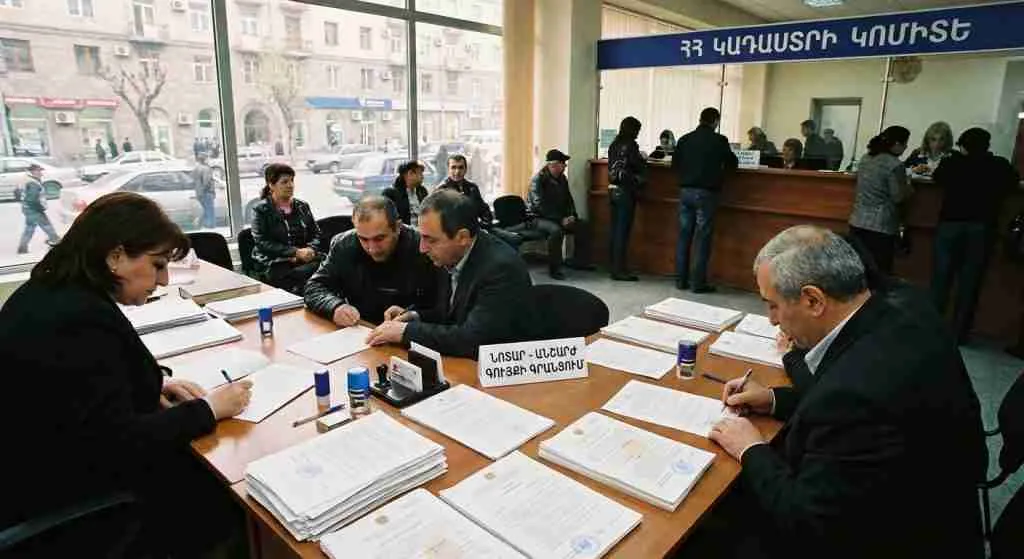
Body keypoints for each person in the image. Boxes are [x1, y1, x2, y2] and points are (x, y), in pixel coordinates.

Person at [689, 225, 986, 559]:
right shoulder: (904, 304)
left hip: (896, 539)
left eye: (772, 305)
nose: (771, 320)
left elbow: (806, 523)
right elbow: (845, 397)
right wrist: (774, 399)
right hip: (944, 502)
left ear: (814, 300)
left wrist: (751, 448)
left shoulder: (855, 396)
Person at [0, 192, 254, 557]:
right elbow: (117, 443)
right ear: (115, 257)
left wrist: (154, 384)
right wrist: (210, 409)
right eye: (157, 265)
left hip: (42, 472)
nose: (164, 280)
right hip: (75, 504)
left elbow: (81, 388)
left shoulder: (56, 292)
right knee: (238, 501)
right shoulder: (77, 321)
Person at [365, 189, 537, 358]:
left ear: (462, 237)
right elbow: (452, 313)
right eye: (422, 237)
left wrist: (406, 332)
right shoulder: (451, 254)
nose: (422, 248)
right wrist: (414, 316)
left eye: (430, 239)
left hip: (500, 371)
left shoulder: (500, 269)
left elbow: (472, 340)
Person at [931, 127, 1020, 344]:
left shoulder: (951, 163)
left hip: (950, 225)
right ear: (987, 146)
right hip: (982, 228)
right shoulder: (999, 165)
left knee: (941, 280)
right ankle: (959, 334)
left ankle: (931, 329)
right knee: (969, 283)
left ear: (962, 145)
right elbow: (1013, 183)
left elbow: (937, 179)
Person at [305, 195, 439, 325]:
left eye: (379, 239)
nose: (372, 249)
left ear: (398, 227)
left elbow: (441, 306)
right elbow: (314, 287)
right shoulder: (343, 244)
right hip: (359, 327)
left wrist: (412, 315)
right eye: (363, 239)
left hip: (409, 333)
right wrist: (335, 307)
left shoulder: (423, 248)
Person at [672, 107, 738, 293]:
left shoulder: (685, 139)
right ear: (715, 121)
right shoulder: (719, 140)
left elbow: (674, 164)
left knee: (684, 236)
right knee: (702, 239)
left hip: (685, 192)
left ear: (700, 119)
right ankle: (697, 283)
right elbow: (732, 164)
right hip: (706, 194)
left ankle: (680, 281)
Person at [848, 125, 913, 275]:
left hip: (857, 221)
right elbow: (898, 197)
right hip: (881, 226)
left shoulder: (865, 159)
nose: (905, 148)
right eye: (905, 144)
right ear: (896, 144)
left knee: (859, 269)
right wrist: (909, 187)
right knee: (879, 272)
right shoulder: (894, 164)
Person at [250, 163, 324, 293]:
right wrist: (295, 252)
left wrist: (310, 249)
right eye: (284, 182)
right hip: (275, 262)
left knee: (331, 265)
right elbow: (262, 243)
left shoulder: (302, 206)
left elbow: (316, 233)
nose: (290, 185)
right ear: (271, 185)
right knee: (305, 276)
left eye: (292, 181)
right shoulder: (261, 210)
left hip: (305, 259)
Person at [527, 149, 592, 280]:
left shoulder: (562, 179)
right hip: (537, 218)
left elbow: (568, 200)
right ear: (553, 165)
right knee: (556, 231)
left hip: (557, 217)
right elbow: (539, 206)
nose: (565, 166)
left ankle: (578, 261)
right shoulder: (538, 180)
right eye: (563, 164)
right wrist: (561, 219)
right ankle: (554, 269)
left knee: (583, 225)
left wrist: (572, 215)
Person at [436, 153, 521, 249]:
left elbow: (483, 208)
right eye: (453, 168)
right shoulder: (442, 191)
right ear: (448, 169)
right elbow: (442, 219)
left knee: (514, 239)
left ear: (466, 169)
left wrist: (486, 221)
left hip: (479, 228)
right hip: (459, 234)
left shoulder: (472, 187)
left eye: (460, 168)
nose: (457, 171)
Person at [607, 116, 646, 281]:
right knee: (623, 232)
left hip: (613, 191)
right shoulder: (631, 146)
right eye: (637, 130)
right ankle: (619, 270)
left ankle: (613, 266)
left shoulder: (613, 145)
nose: (638, 134)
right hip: (626, 192)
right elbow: (638, 165)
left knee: (615, 230)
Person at [17, 163, 61, 254]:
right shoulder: (33, 183)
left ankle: (22, 248)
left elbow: (17, 192)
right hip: (34, 209)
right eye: (39, 171)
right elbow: (32, 199)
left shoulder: (27, 180)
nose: (41, 173)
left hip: (28, 208)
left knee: (29, 228)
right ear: (33, 172)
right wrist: (40, 208)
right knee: (47, 226)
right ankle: (57, 243)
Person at [382, 159, 429, 226]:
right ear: (410, 173)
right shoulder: (390, 193)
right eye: (420, 173)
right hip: (404, 233)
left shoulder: (422, 191)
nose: (422, 177)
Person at [192, 153, 216, 229]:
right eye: (207, 158)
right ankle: (209, 226)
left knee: (205, 210)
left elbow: (194, 180)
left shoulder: (196, 168)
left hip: (199, 193)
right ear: (205, 159)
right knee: (209, 210)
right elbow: (207, 181)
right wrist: (211, 191)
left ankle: (201, 224)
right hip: (206, 192)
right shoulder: (206, 169)